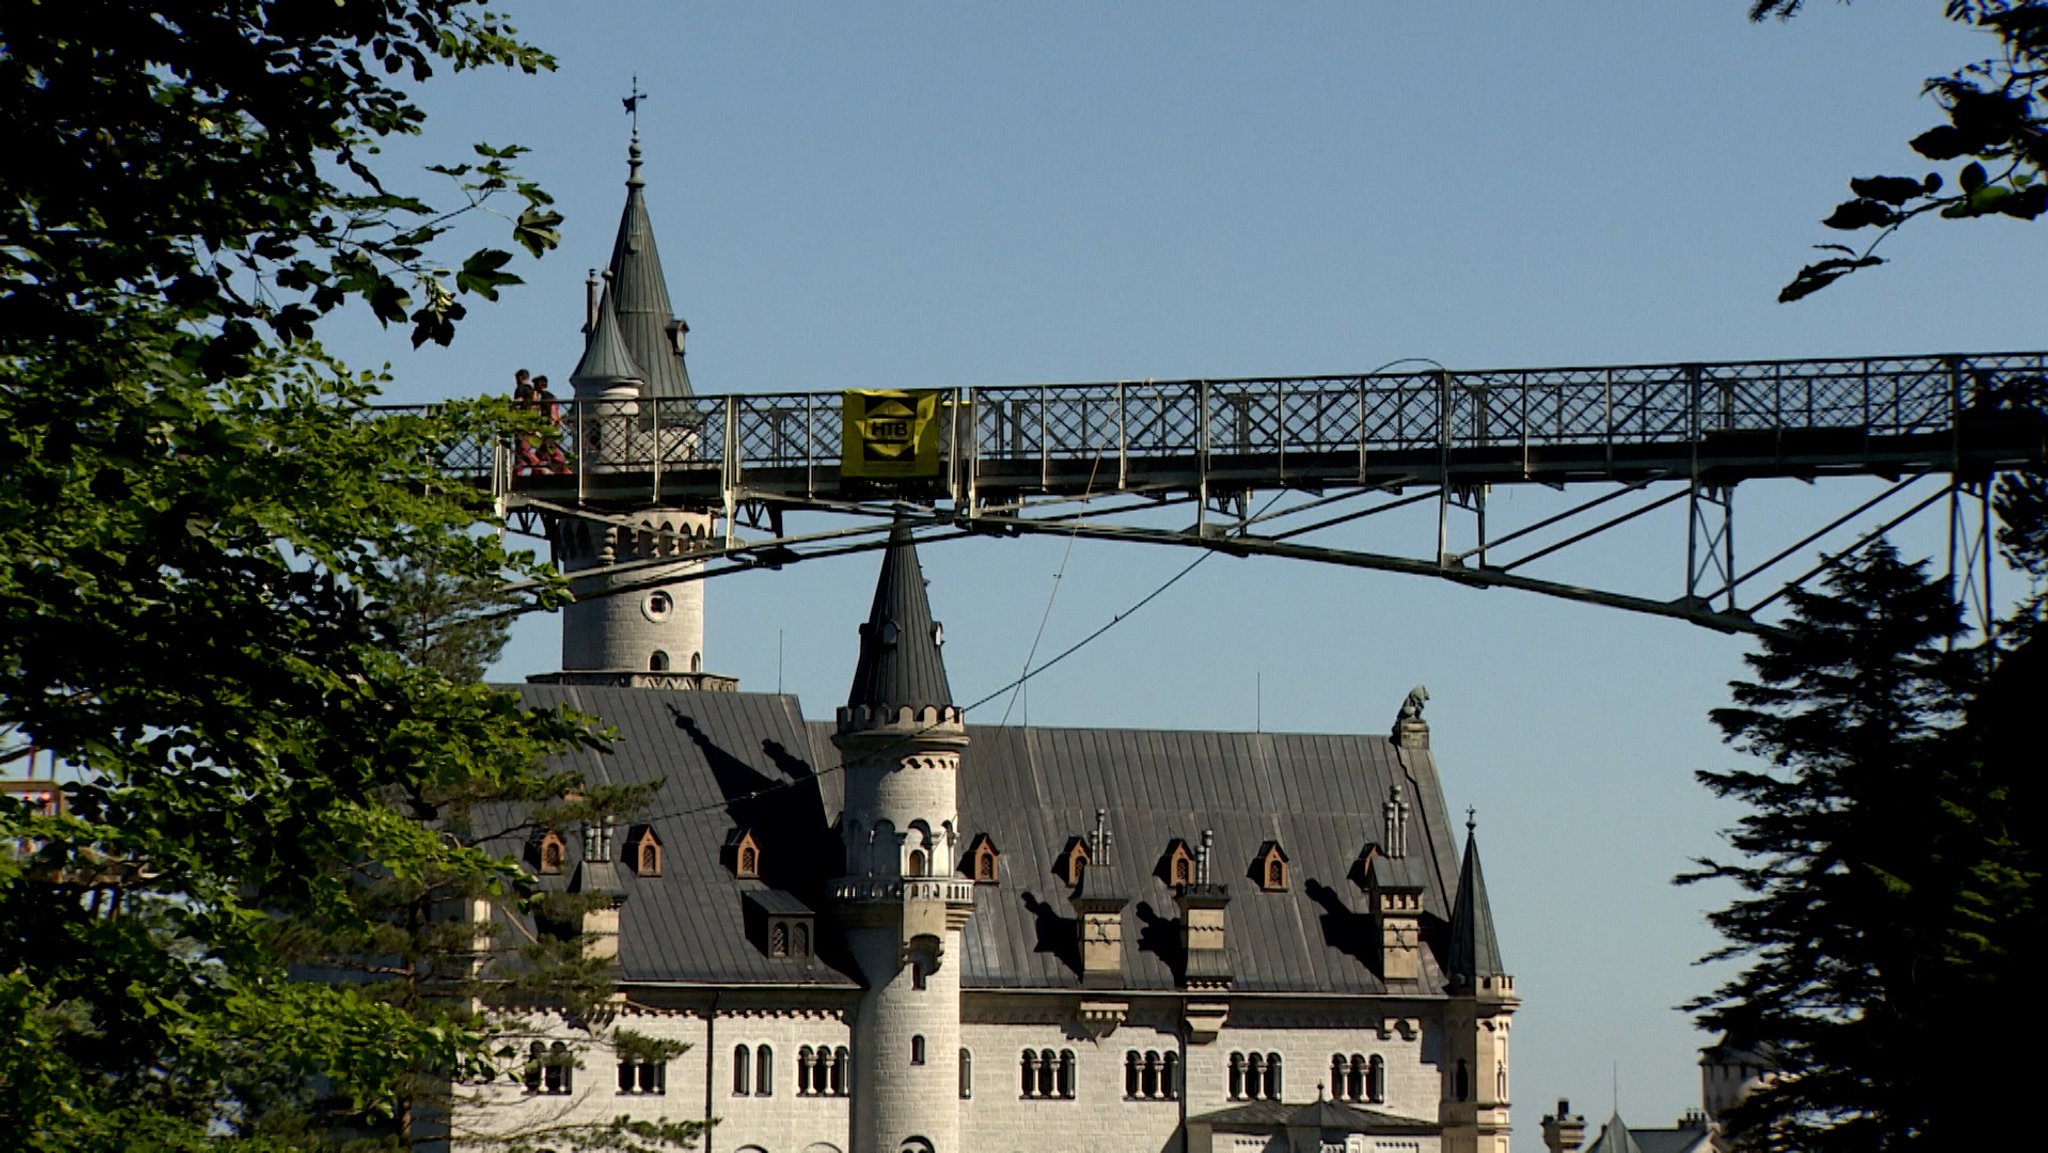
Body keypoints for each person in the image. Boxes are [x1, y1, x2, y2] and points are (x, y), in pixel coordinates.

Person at [530, 375, 570, 474]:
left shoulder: (546, 397)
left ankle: (566, 471)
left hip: (549, 429)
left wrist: (552, 425)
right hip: (549, 429)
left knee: (552, 453)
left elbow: (552, 411)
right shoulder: (546, 396)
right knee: (545, 453)